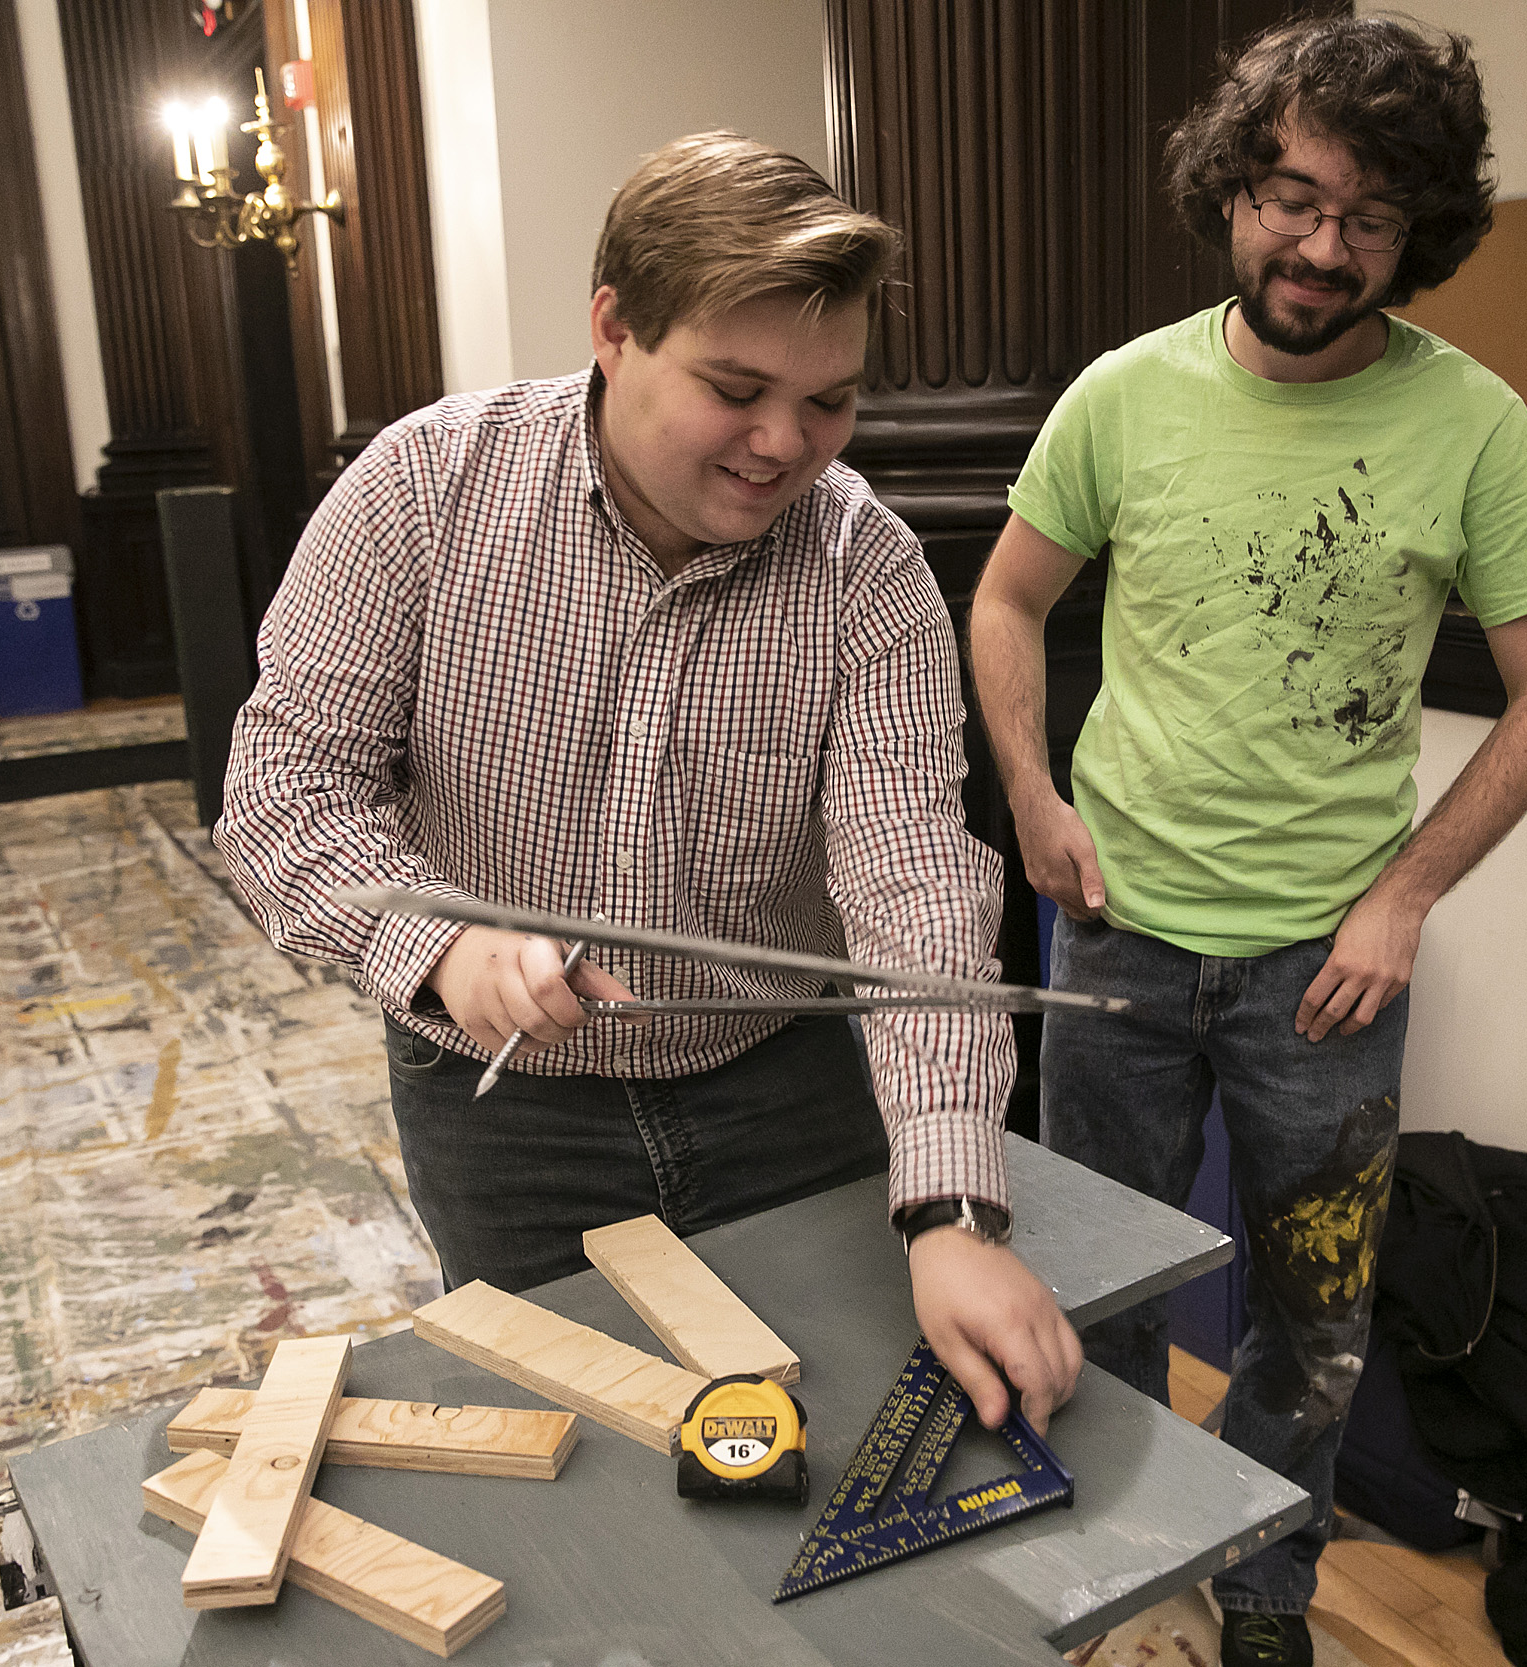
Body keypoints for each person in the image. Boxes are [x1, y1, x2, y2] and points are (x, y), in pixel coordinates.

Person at [213, 132, 1081, 1433]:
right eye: (736, 388)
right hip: (498, 1100)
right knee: (580, 1456)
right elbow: (285, 797)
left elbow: (913, 884)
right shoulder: (419, 493)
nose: (786, 444)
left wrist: (952, 1207)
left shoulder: (868, 569)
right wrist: (444, 945)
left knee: (830, 1426)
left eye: (832, 401)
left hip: (780, 1074)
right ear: (615, 328)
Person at [967, 16, 1527, 1662]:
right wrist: (1032, 795)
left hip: (1328, 972)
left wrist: (1408, 895)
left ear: (1420, 236)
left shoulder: (1474, 425)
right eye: (1294, 196)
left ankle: (1259, 1608)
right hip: (1112, 938)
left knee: (1314, 1331)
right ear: (1234, 187)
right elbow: (1012, 600)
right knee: (1096, 1298)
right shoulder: (1124, 395)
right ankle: (1110, 1592)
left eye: (1370, 217)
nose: (1323, 247)